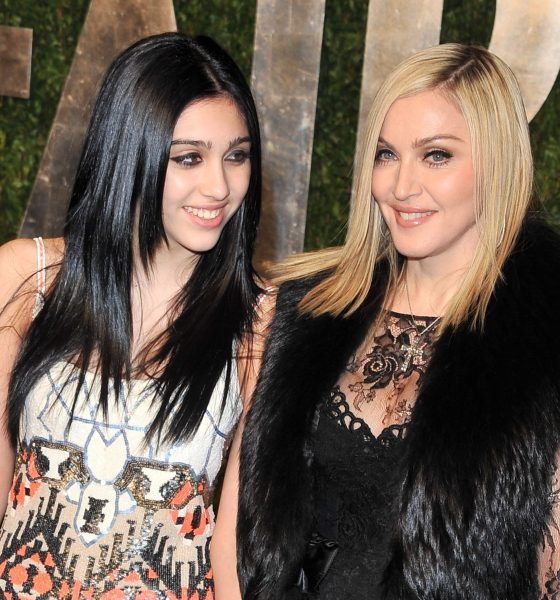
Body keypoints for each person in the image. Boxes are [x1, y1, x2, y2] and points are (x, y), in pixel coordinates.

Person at [228, 43, 560, 599]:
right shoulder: (302, 311)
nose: (402, 186)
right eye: (386, 154)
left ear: (497, 162)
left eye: (436, 155)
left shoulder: (542, 337)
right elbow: (237, 531)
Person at [0, 31, 266, 598]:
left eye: (237, 155)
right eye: (189, 158)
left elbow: (233, 543)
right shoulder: (28, 278)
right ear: (130, 150)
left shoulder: (259, 321)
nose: (219, 185)